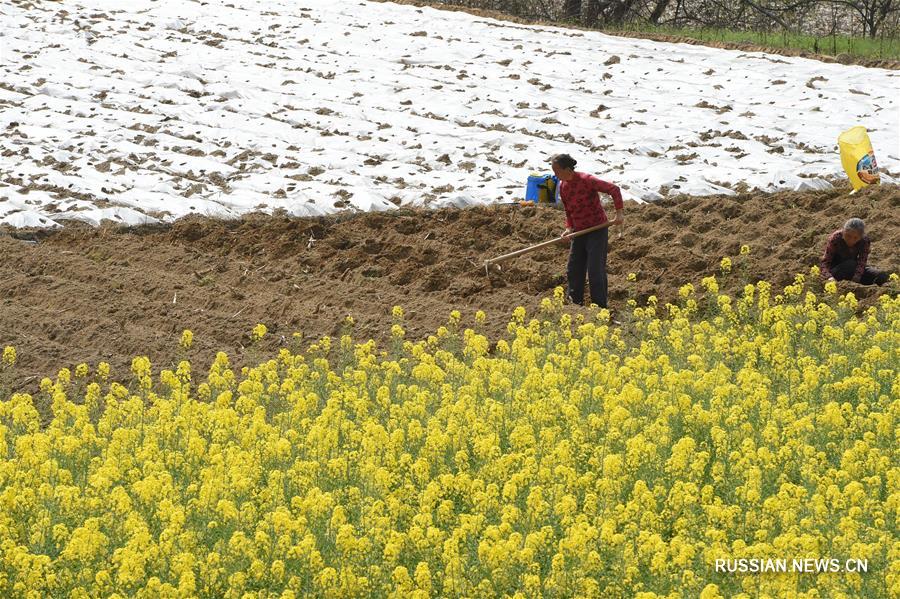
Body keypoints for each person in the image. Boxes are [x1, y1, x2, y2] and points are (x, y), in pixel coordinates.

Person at [550, 153, 624, 308]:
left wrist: (619, 214)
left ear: (568, 169)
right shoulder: (563, 187)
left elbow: (614, 189)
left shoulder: (586, 180)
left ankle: (600, 307)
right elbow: (569, 211)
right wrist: (568, 228)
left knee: (595, 269)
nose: (554, 174)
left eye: (556, 170)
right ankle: (575, 304)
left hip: (597, 230)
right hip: (579, 232)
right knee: (574, 268)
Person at [820, 218, 890, 285]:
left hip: (854, 270)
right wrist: (829, 277)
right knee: (850, 264)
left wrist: (856, 278)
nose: (851, 240)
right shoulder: (835, 238)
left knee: (881, 276)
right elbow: (825, 263)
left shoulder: (864, 241)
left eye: (855, 238)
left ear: (860, 237)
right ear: (843, 231)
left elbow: (862, 262)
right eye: (848, 236)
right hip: (836, 271)